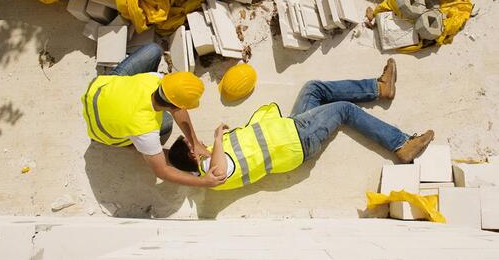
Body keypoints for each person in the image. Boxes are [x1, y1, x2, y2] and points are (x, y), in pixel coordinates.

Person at [167, 58, 435, 190]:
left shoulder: (206, 163)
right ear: (192, 153)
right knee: (344, 110)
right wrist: (215, 140)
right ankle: (401, 144)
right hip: (297, 141)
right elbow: (221, 171)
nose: (196, 140)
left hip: (289, 129)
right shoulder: (212, 173)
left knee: (313, 88)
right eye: (192, 142)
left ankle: (379, 88)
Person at [82, 42, 225, 187]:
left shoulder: (153, 79)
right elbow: (162, 171)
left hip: (99, 90)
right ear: (174, 106)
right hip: (101, 131)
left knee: (154, 50)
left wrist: (194, 142)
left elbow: (176, 105)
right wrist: (203, 181)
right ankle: (137, 147)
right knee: (167, 123)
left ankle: (145, 146)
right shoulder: (145, 130)